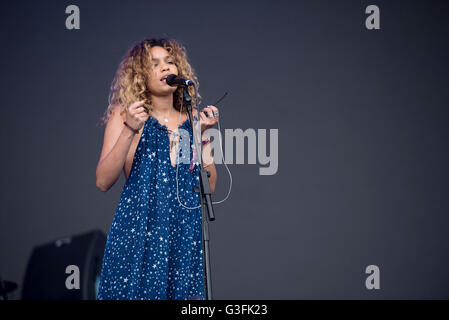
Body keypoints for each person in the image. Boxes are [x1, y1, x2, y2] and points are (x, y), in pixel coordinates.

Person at [95, 37, 219, 300]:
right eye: (154, 64)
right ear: (140, 75)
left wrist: (201, 136)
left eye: (170, 61)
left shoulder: (194, 120)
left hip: (184, 235)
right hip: (139, 232)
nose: (165, 68)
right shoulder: (124, 115)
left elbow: (211, 186)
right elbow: (103, 181)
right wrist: (130, 128)